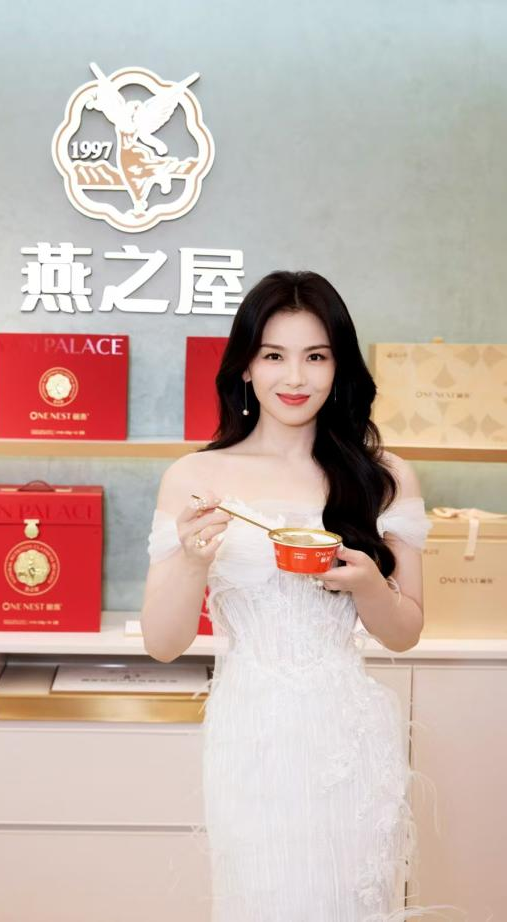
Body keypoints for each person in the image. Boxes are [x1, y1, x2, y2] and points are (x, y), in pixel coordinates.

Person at [141, 271, 456, 921]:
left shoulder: (384, 476)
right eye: (273, 355)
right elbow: (163, 643)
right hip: (250, 732)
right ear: (245, 366)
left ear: (339, 368)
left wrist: (368, 584)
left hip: (348, 737)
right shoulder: (196, 477)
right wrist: (193, 560)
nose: (295, 377)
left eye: (315, 356)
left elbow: (404, 633)